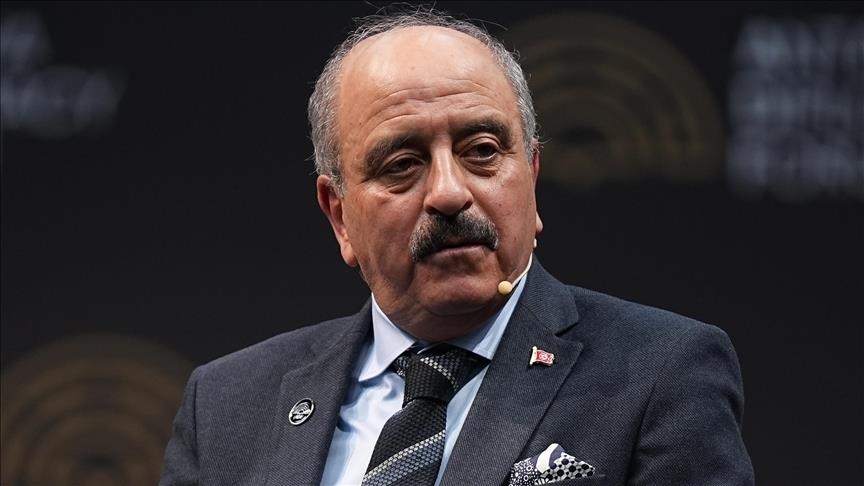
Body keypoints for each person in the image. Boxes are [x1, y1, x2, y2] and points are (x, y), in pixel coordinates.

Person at [161, 9, 754, 486]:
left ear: (532, 176)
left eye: (483, 152)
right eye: (402, 164)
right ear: (339, 215)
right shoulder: (226, 406)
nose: (449, 193)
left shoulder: (660, 373)